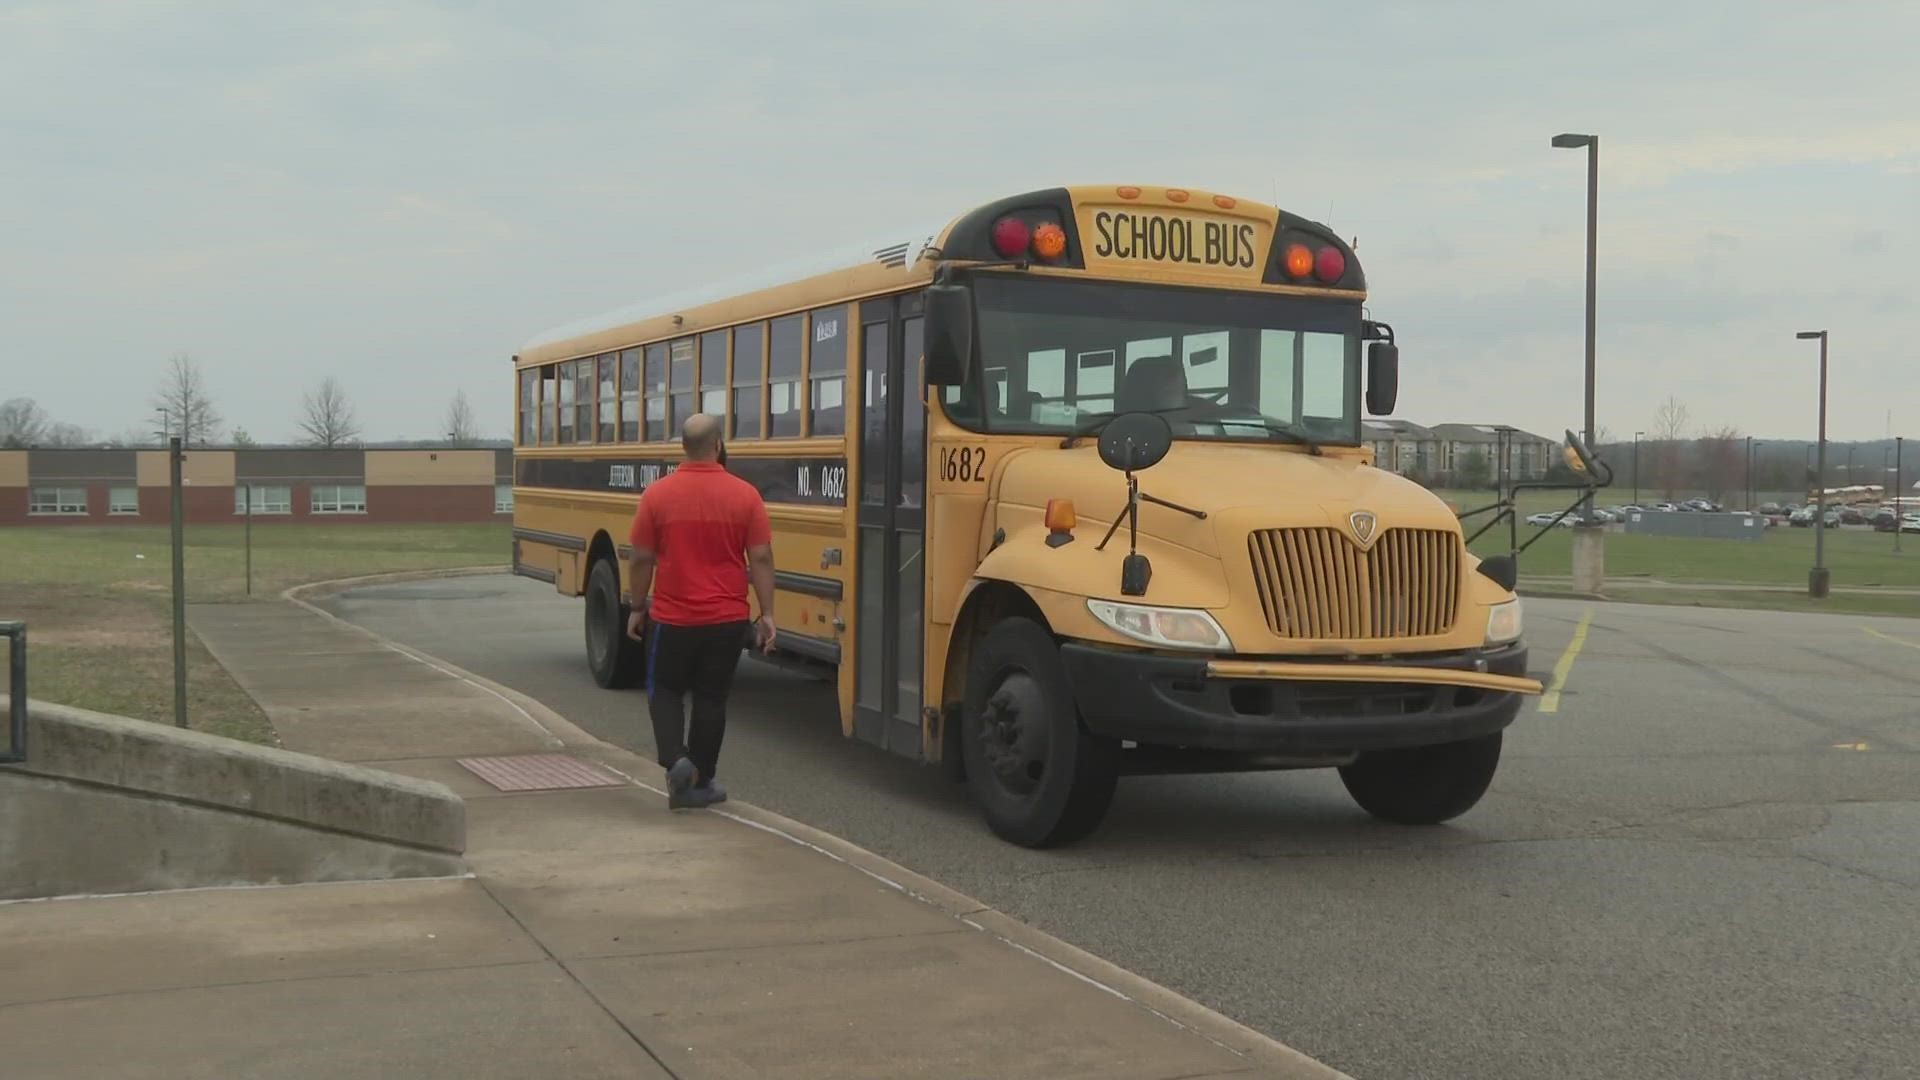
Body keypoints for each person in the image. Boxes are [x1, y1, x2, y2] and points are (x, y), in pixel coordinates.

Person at [625, 413, 777, 809]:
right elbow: (760, 557)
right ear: (719, 445)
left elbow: (641, 558)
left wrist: (637, 606)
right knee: (712, 698)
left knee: (665, 691)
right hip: (727, 620)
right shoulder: (746, 495)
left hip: (673, 620)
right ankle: (700, 778)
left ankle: (677, 761)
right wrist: (767, 615)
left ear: (682, 448)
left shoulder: (657, 495)